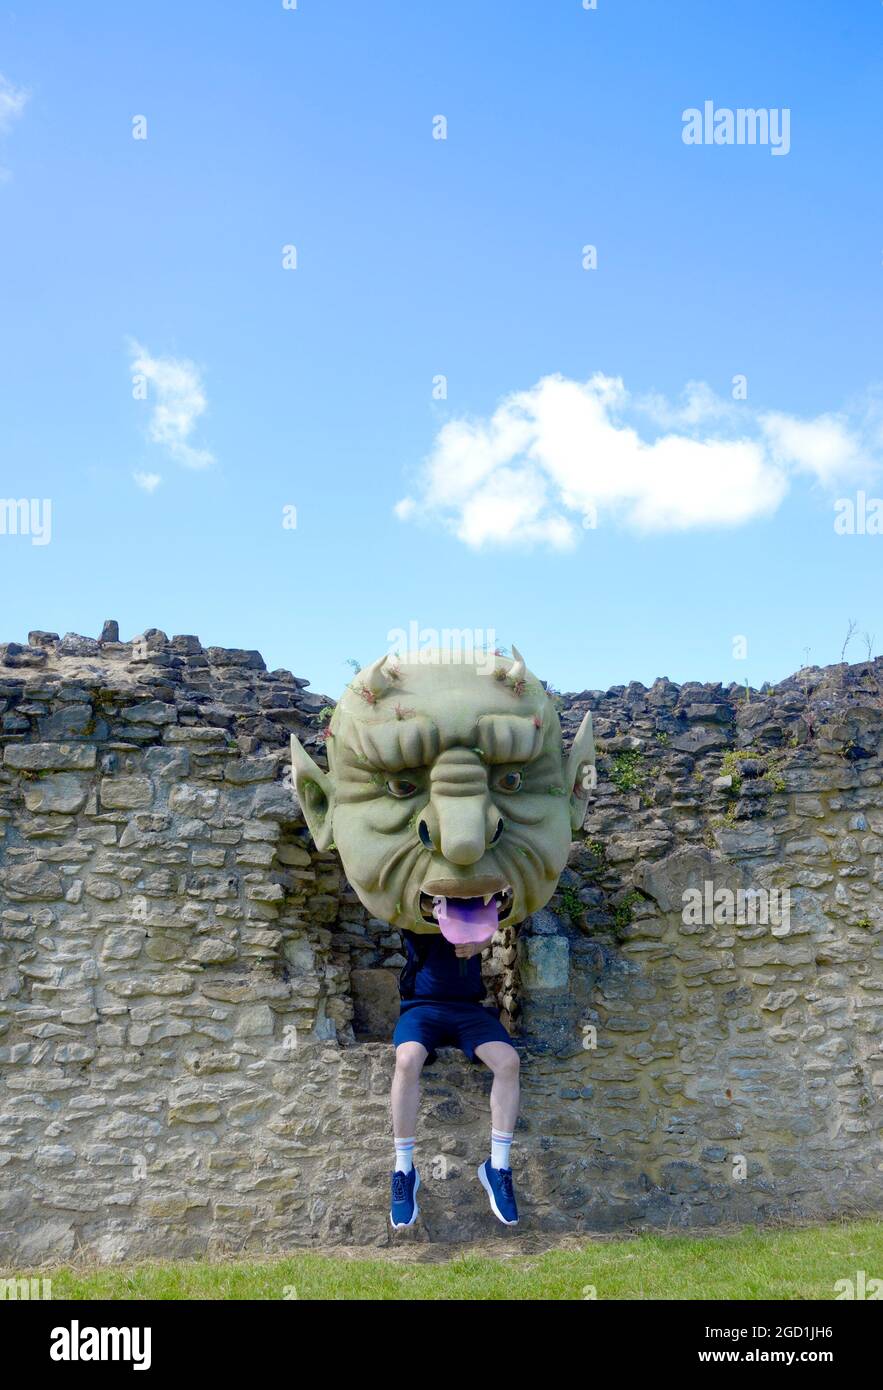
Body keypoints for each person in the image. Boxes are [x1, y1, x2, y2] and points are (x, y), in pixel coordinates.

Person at [389, 925, 520, 1229]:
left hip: (468, 1011)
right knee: (407, 1061)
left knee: (508, 1062)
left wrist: (481, 942)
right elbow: (391, 904)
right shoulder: (418, 897)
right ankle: (403, 1170)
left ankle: (497, 1167)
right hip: (422, 1008)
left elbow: (494, 917)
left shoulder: (472, 899)